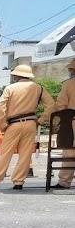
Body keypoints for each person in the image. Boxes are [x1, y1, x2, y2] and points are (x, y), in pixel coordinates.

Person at [0, 64, 55, 190]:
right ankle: (18, 181)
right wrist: (41, 120)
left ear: (18, 75)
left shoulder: (10, 88)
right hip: (31, 123)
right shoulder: (38, 88)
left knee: (5, 153)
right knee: (25, 154)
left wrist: (3, 124)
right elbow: (51, 105)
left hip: (14, 123)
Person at [45, 58, 75, 189]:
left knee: (69, 153)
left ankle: (64, 182)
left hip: (71, 123)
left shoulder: (68, 84)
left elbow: (61, 106)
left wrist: (55, 125)